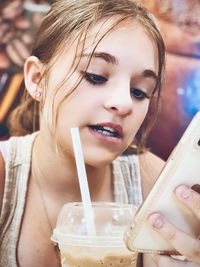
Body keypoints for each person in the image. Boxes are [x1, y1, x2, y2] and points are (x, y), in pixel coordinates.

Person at [0, 0, 199, 266]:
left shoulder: (155, 190)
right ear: (37, 79)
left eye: (139, 91)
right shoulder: (5, 180)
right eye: (95, 76)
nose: (125, 103)